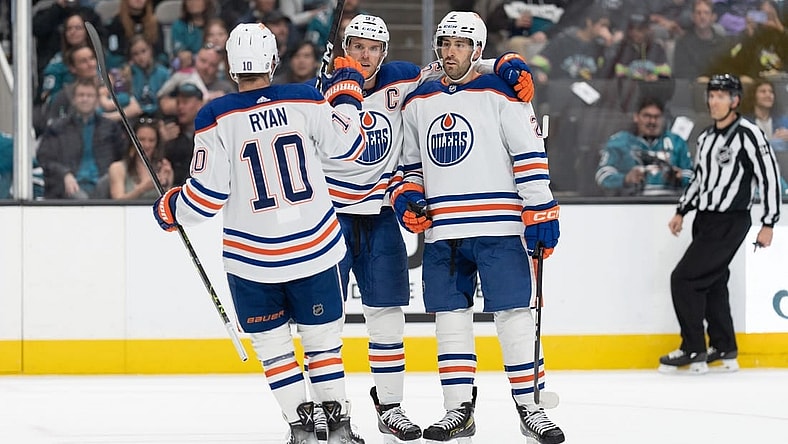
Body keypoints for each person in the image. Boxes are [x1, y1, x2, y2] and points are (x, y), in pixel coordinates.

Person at [318, 13, 536, 443]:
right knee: (323, 325)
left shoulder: (403, 81)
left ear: (384, 52)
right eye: (356, 46)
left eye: (372, 47)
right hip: (330, 218)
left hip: (380, 217)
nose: (364, 55)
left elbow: (460, 63)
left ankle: (389, 407)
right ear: (344, 47)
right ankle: (330, 412)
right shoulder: (315, 93)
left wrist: (505, 62)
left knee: (386, 318)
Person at [152, 23, 368, 444]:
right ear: (273, 60)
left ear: (231, 67)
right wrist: (345, 96)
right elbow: (348, 148)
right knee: (322, 346)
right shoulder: (305, 97)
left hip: (252, 262)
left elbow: (204, 201)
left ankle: (303, 431)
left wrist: (170, 207)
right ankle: (339, 429)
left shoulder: (215, 116)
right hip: (316, 249)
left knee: (274, 350)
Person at [396, 11, 564, 444]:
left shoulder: (501, 92)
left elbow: (529, 154)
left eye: (460, 44)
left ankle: (531, 408)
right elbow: (411, 167)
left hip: (500, 227)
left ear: (477, 49)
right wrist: (408, 196)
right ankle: (458, 411)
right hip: (443, 231)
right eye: (444, 43)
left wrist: (540, 210)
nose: (450, 52)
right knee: (450, 321)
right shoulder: (419, 99)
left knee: (513, 317)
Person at [660, 74, 782, 374]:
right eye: (711, 95)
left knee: (683, 279)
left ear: (735, 101)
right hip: (706, 218)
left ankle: (693, 349)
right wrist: (682, 210)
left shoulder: (749, 134)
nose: (714, 101)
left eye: (721, 96)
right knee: (713, 281)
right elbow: (699, 179)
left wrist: (768, 222)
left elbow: (769, 175)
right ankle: (724, 346)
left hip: (731, 220)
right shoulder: (706, 138)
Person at [37, 78, 126, 199]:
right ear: (73, 99)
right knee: (80, 198)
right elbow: (44, 158)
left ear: (96, 100)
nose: (85, 99)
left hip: (103, 184)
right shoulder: (57, 128)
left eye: (89, 95)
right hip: (70, 186)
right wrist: (64, 174)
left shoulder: (110, 127)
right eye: (81, 95)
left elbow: (123, 157)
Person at [595, 96, 693, 196]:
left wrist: (680, 177)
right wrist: (626, 179)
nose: (652, 121)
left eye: (657, 117)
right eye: (647, 116)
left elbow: (694, 177)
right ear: (636, 117)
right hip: (629, 205)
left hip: (670, 204)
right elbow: (602, 175)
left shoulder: (677, 142)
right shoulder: (619, 141)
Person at [108, 118, 173, 200]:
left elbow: (167, 202)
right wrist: (142, 189)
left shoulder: (164, 166)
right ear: (133, 141)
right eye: (142, 139)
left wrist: (166, 184)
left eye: (151, 140)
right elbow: (118, 201)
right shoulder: (118, 168)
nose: (147, 145)